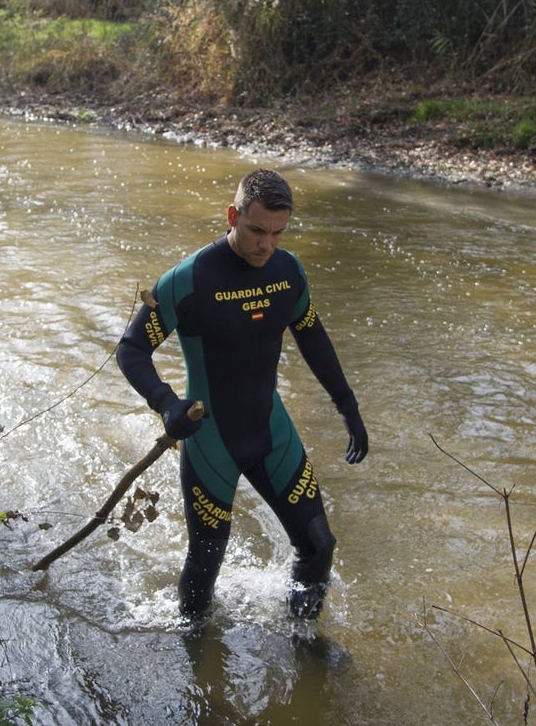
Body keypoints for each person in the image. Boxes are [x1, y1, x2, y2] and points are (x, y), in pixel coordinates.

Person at [116, 168, 368, 624]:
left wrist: (347, 407)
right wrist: (167, 403)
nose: (266, 245)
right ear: (233, 216)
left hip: (272, 432)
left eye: (278, 233)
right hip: (211, 441)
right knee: (206, 562)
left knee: (318, 544)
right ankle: (195, 648)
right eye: (256, 231)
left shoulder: (288, 272)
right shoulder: (188, 280)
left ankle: (303, 640)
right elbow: (132, 350)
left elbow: (312, 337)